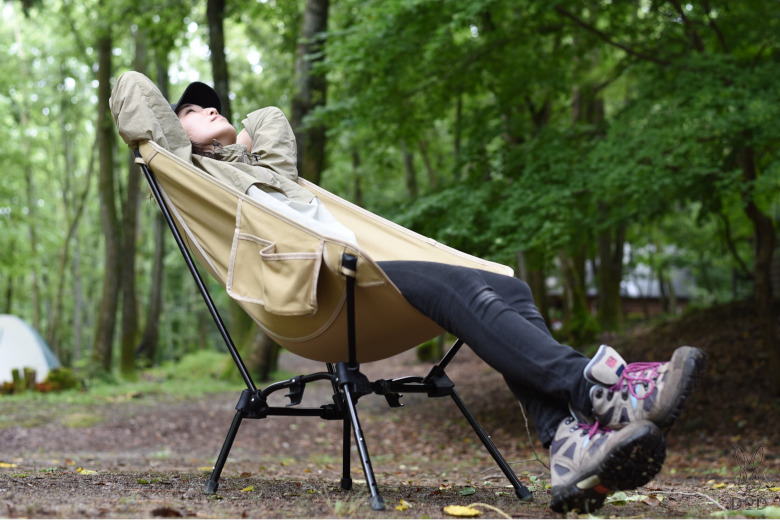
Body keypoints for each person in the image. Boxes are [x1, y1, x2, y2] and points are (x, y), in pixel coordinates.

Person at [170, 81, 706, 513]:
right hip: (324, 290)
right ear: (174, 131)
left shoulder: (268, 170)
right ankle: (595, 390)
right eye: (192, 108)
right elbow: (132, 100)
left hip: (368, 272)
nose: (208, 109)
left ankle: (568, 445)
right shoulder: (197, 176)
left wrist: (233, 141)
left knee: (508, 286)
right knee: (456, 283)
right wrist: (178, 140)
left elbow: (268, 118)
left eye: (213, 105)